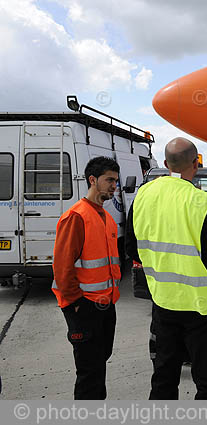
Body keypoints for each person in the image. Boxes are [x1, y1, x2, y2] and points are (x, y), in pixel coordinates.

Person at [125, 137, 207, 400]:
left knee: (164, 377)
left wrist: (159, 265)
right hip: (202, 308)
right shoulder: (203, 204)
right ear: (196, 164)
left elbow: (131, 247)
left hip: (163, 302)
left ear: (165, 164)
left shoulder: (143, 195)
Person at [52, 156, 121, 400]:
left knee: (98, 364)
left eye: (116, 180)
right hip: (85, 307)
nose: (114, 185)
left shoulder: (106, 217)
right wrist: (76, 304)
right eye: (109, 180)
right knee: (89, 374)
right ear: (93, 180)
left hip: (104, 305)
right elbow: (62, 267)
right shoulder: (77, 216)